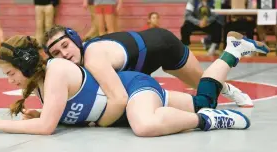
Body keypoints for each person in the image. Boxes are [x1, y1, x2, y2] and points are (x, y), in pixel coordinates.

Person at [0, 32, 269, 136]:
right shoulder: (43, 85)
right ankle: (232, 52)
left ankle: (207, 122)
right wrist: (45, 113)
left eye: (10, 72)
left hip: (131, 90)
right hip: (127, 102)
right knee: (203, 99)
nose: (7, 79)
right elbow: (59, 116)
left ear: (24, 65)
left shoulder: (57, 69)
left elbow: (47, 129)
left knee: (145, 125)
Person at [44, 25, 253, 111]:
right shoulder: (79, 64)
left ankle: (231, 71)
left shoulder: (93, 59)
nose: (64, 54)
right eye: (56, 53)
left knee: (203, 84)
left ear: (75, 40)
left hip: (163, 45)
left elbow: (117, 100)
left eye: (65, 45)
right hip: (138, 65)